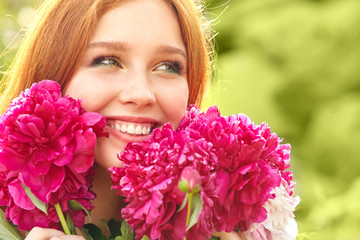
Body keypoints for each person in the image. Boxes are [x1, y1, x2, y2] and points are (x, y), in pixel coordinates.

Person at [1, 0, 241, 239]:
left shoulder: (234, 226)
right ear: (51, 73)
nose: (141, 94)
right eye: (108, 61)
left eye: (168, 66)